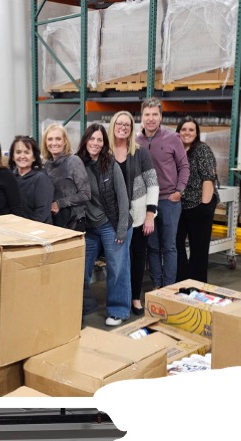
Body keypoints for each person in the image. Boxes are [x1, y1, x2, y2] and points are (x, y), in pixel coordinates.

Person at [77, 123, 133, 326]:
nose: (95, 143)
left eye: (99, 139)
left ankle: (118, 311)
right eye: (92, 138)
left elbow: (123, 198)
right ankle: (79, 309)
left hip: (112, 223)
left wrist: (121, 228)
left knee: (117, 267)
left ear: (104, 143)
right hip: (89, 227)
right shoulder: (77, 164)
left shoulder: (110, 164)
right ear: (85, 140)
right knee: (80, 269)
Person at [108, 111, 159, 315]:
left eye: (127, 125)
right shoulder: (106, 153)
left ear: (131, 129)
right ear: (113, 126)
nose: (123, 127)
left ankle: (135, 298)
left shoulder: (140, 153)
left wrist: (150, 215)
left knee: (138, 257)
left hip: (138, 216)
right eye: (119, 123)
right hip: (113, 218)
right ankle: (120, 297)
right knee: (118, 261)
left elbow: (153, 184)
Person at [136, 98, 190, 288]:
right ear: (141, 117)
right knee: (152, 246)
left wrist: (179, 191)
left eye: (155, 115)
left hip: (168, 200)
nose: (151, 119)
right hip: (145, 203)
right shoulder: (136, 141)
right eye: (147, 115)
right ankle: (157, 285)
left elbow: (184, 166)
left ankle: (168, 287)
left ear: (161, 117)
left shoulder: (172, 138)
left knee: (169, 247)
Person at [175, 116, 219, 282]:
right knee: (176, 243)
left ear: (196, 133)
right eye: (184, 129)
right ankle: (182, 280)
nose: (187, 133)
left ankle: (197, 285)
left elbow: (208, 179)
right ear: (178, 132)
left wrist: (204, 207)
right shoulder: (177, 150)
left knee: (198, 249)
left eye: (191, 130)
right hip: (181, 205)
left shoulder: (202, 150)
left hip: (200, 204)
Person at [41, 123, 90, 230]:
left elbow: (86, 194)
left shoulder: (73, 161)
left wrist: (59, 204)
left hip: (74, 222)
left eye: (58, 139)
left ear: (65, 141)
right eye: (50, 139)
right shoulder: (46, 165)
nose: (54, 143)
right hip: (54, 222)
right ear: (45, 142)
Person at [10, 135, 54, 224]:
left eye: (27, 152)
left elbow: (42, 213)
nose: (22, 156)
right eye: (18, 152)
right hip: (15, 229)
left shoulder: (41, 178)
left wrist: (25, 229)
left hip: (38, 231)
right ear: (13, 157)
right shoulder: (10, 178)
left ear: (34, 157)